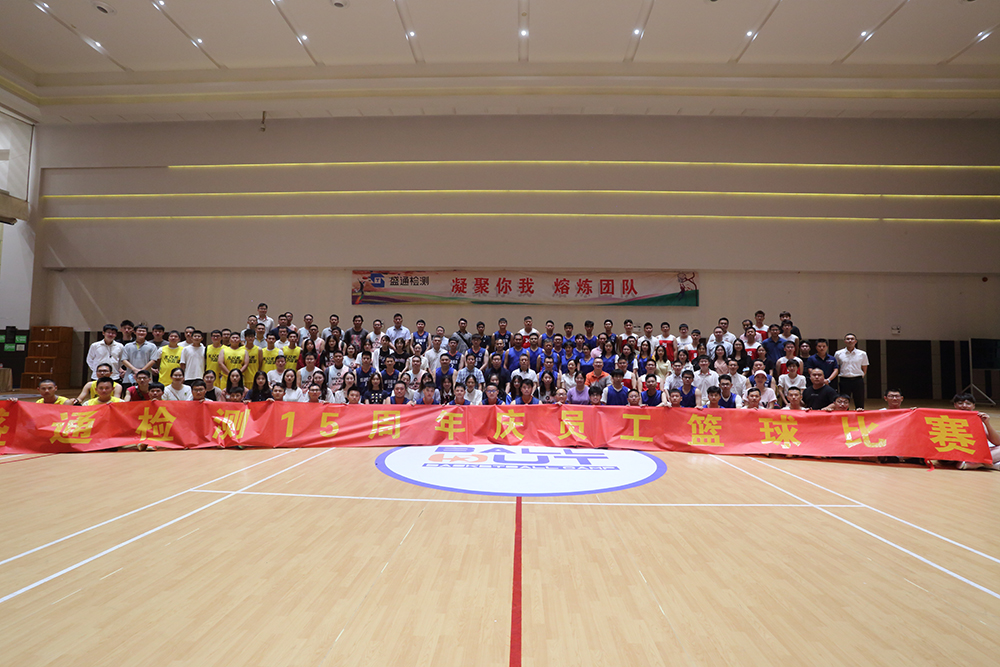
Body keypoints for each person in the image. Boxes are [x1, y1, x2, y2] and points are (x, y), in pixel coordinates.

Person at [952, 393, 1000, 471]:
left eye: (968, 403)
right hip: (957, 451)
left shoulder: (978, 419)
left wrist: (987, 423)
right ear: (955, 405)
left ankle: (976, 464)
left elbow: (997, 442)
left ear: (973, 406)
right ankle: (984, 463)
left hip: (976, 452)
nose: (964, 406)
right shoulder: (948, 419)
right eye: (960, 403)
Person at [835, 333, 869, 409]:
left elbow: (864, 368)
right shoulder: (838, 353)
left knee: (859, 400)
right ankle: (845, 415)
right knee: (843, 401)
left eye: (852, 339)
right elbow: (837, 367)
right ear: (844, 341)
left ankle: (860, 415)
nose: (850, 340)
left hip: (858, 380)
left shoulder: (862, 354)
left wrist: (860, 376)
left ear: (855, 341)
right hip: (844, 380)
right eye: (848, 339)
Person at [121, 324, 157, 389]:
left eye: (143, 331)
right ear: (134, 332)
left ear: (146, 333)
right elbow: (124, 360)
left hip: (146, 378)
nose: (141, 333)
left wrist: (141, 372)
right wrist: (135, 370)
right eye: (139, 331)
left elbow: (153, 360)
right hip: (130, 378)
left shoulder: (152, 346)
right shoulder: (128, 346)